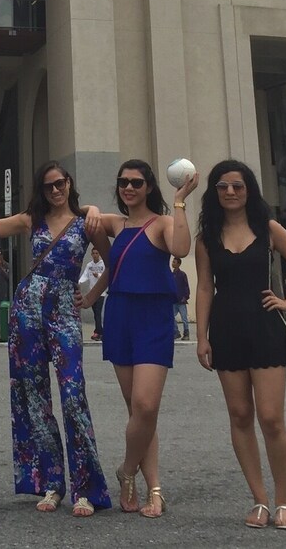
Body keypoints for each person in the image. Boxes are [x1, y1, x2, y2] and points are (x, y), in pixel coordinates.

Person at [0, 161, 112, 517]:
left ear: (69, 183)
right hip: (27, 307)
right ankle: (52, 483)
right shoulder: (31, 219)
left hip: (64, 309)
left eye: (60, 184)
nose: (55, 191)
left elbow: (112, 261)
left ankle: (86, 488)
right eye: (48, 186)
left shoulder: (87, 221)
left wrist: (90, 298)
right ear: (41, 191)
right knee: (34, 396)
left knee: (73, 394)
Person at [194, 159, 286, 530]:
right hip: (226, 330)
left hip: (265, 327)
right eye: (223, 187)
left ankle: (284, 500)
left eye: (238, 186)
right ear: (214, 193)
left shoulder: (268, 228)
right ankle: (260, 500)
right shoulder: (206, 238)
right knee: (240, 415)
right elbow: (203, 287)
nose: (230, 192)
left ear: (249, 190)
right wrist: (201, 337)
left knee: (271, 418)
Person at [82, 159, 199, 517]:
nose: (129, 188)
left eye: (136, 182)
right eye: (123, 182)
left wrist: (180, 201)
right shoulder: (116, 224)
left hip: (153, 318)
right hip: (120, 316)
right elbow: (84, 216)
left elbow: (181, 249)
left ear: (149, 186)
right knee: (137, 410)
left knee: (146, 406)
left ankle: (127, 470)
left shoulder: (163, 222)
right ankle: (155, 489)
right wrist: (91, 209)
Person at [78, 248, 106, 341]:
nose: (95, 255)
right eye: (93, 253)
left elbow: (106, 276)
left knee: (98, 313)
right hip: (92, 293)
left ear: (99, 254)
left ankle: (98, 333)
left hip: (101, 293)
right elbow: (85, 275)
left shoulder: (103, 265)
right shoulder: (89, 265)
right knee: (95, 314)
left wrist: (97, 275)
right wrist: (79, 282)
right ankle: (99, 331)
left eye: (97, 253)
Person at [172, 257, 191, 341]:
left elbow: (186, 286)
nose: (173, 263)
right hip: (174, 300)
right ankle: (176, 332)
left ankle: (186, 333)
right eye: (173, 262)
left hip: (182, 301)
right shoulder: (171, 275)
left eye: (174, 262)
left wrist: (185, 296)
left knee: (184, 319)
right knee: (171, 317)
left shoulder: (182, 274)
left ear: (179, 264)